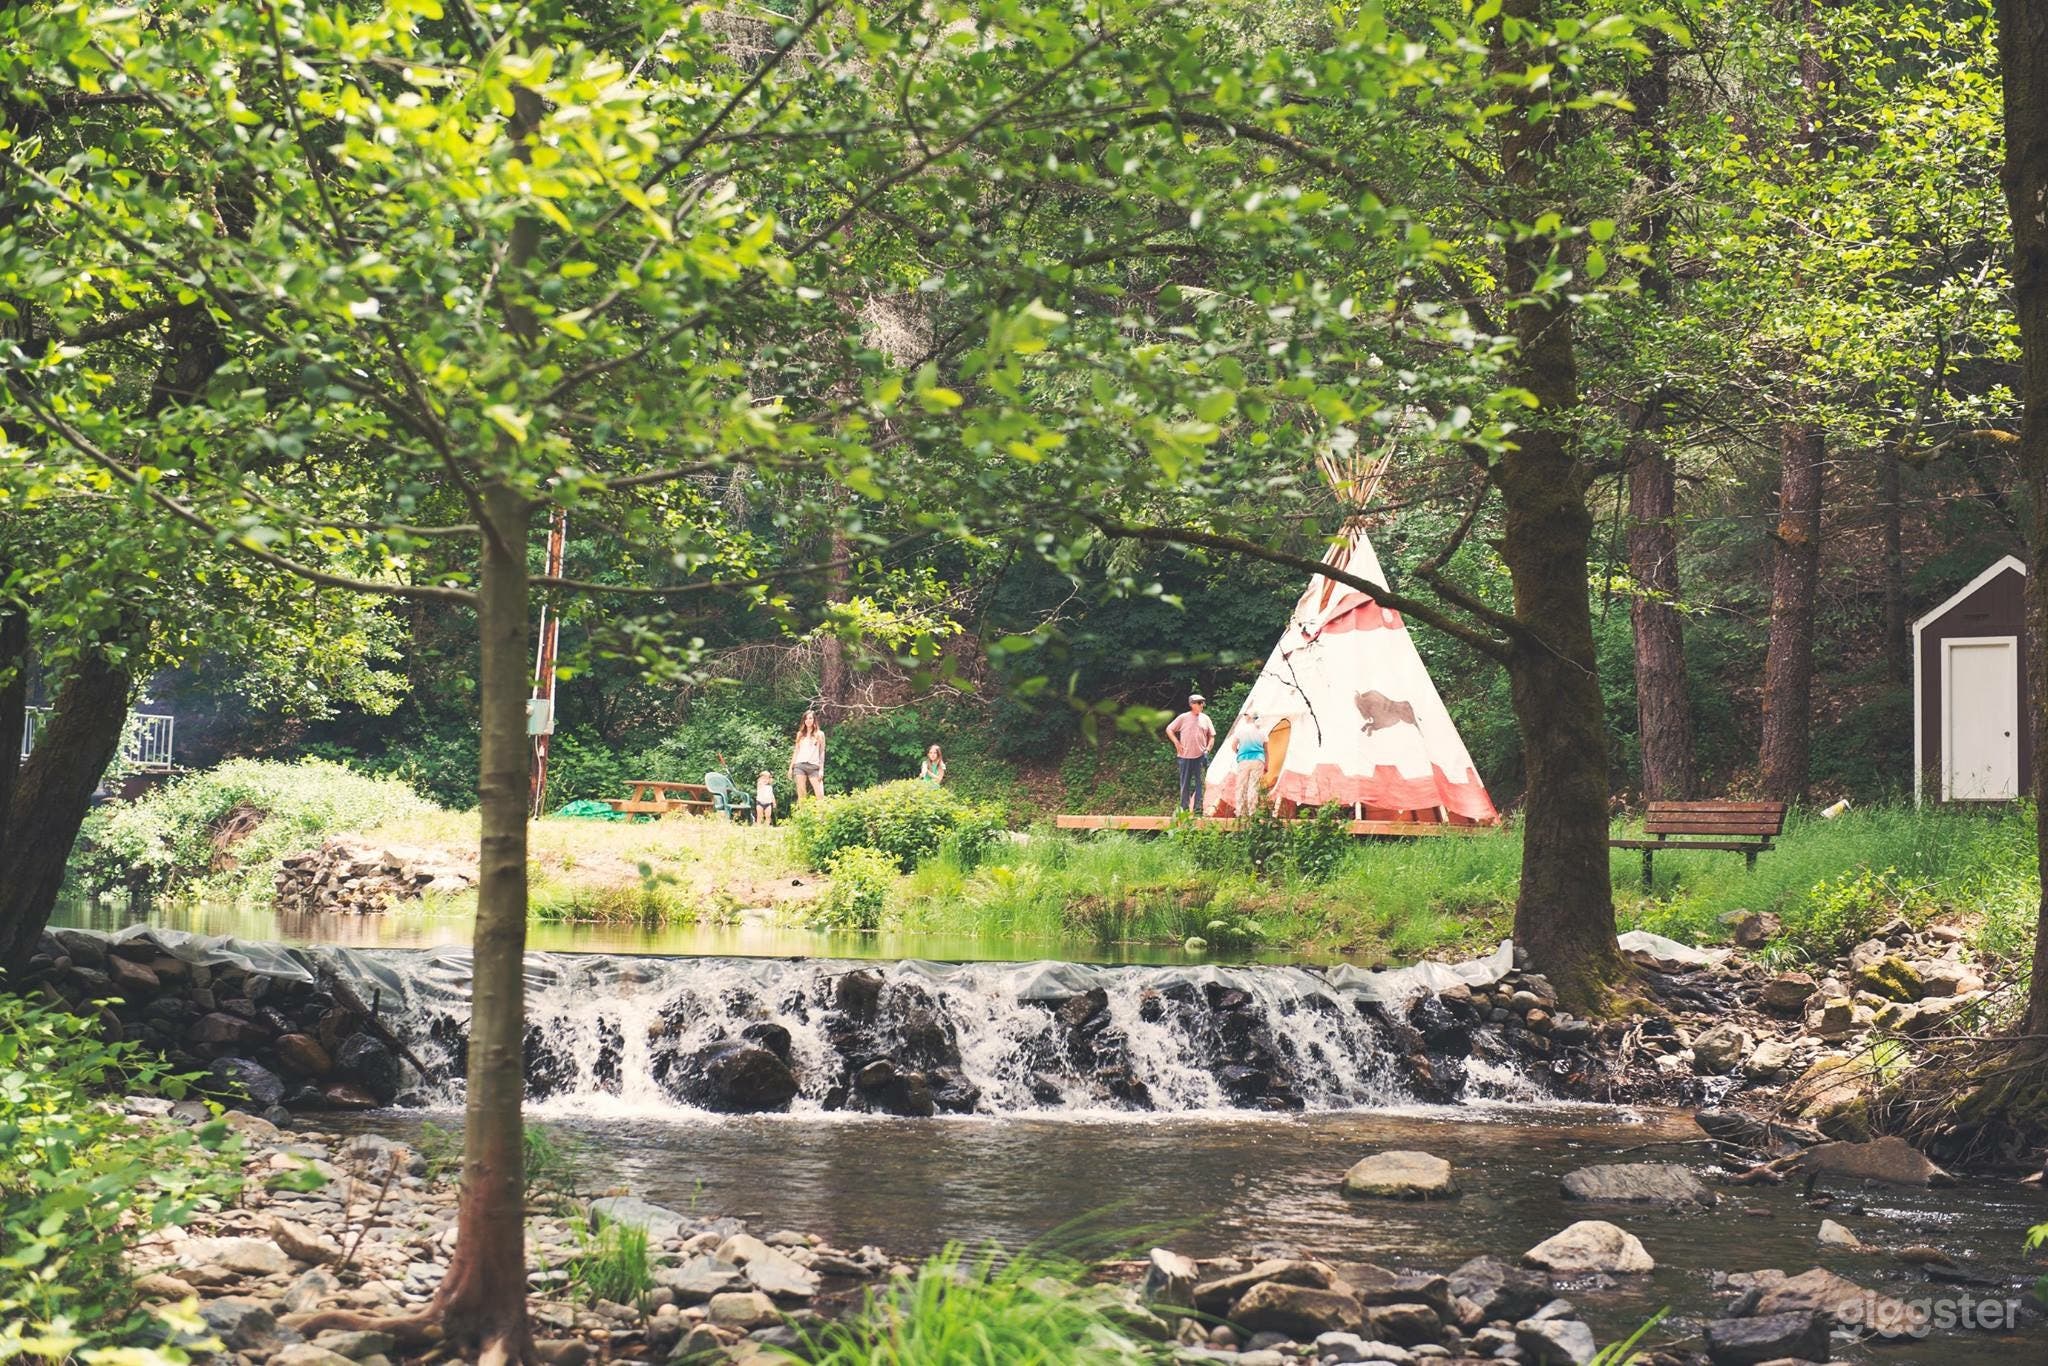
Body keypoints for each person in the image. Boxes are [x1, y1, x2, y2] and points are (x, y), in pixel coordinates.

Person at [1164, 692, 1215, 813]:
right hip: (1185, 756)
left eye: (1202, 702)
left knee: (1200, 784)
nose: (1202, 705)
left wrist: (1207, 749)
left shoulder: (1206, 718)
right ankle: (1184, 810)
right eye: (1199, 703)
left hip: (1201, 756)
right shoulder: (1183, 717)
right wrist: (1176, 743)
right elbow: (1169, 729)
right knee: (1185, 783)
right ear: (1192, 704)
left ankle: (1198, 810)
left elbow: (1212, 736)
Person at [1231, 712, 1268, 821]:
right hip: (1258, 760)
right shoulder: (1262, 731)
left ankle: (1240, 812)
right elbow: (1266, 750)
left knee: (1241, 785)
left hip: (1244, 760)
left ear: (1249, 718)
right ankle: (1252, 812)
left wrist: (1239, 752)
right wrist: (1267, 764)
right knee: (1254, 786)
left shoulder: (1241, 730)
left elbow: (1233, 746)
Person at [789, 709, 826, 802]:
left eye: (810, 718)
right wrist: (790, 768)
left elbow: (822, 752)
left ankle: (821, 816)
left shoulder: (820, 734)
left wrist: (821, 769)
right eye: (806, 718)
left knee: (820, 794)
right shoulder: (800, 734)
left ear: (814, 720)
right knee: (801, 794)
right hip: (800, 765)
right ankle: (803, 815)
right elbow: (796, 751)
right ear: (804, 721)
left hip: (814, 766)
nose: (808, 720)